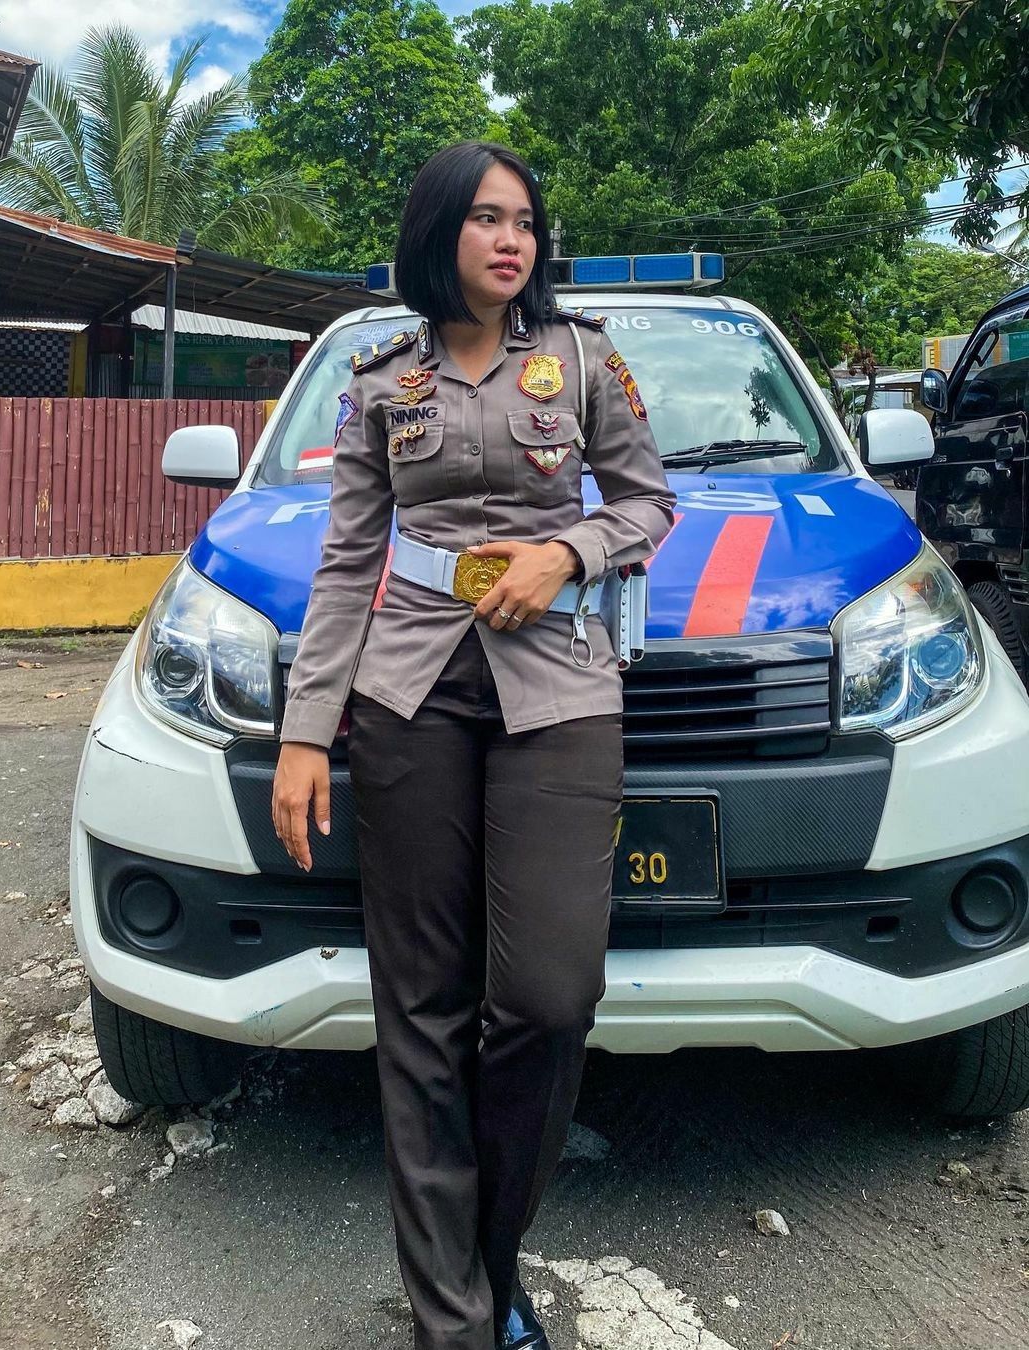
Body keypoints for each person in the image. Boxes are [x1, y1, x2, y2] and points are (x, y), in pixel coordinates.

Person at [272, 141, 676, 1350]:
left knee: (550, 997)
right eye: (488, 218)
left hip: (559, 686)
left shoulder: (584, 360)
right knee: (423, 1010)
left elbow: (648, 502)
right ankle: (455, 1320)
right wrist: (306, 732)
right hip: (408, 692)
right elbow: (348, 560)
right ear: (438, 230)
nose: (514, 240)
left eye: (526, 222)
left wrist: (568, 552)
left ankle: (484, 1268)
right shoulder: (379, 379)